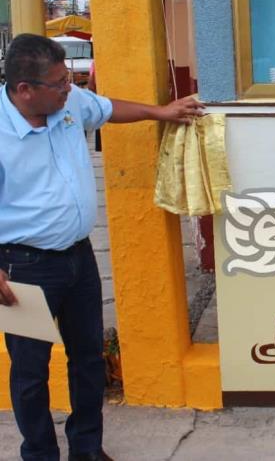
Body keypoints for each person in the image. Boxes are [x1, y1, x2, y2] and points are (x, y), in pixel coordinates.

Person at [0, 33, 204, 461]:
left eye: (68, 79)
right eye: (58, 83)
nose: (69, 88)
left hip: (78, 259)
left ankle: (87, 449)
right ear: (24, 90)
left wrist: (160, 112)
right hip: (23, 268)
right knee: (31, 372)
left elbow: (109, 109)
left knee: (89, 360)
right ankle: (39, 453)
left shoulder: (69, 104)